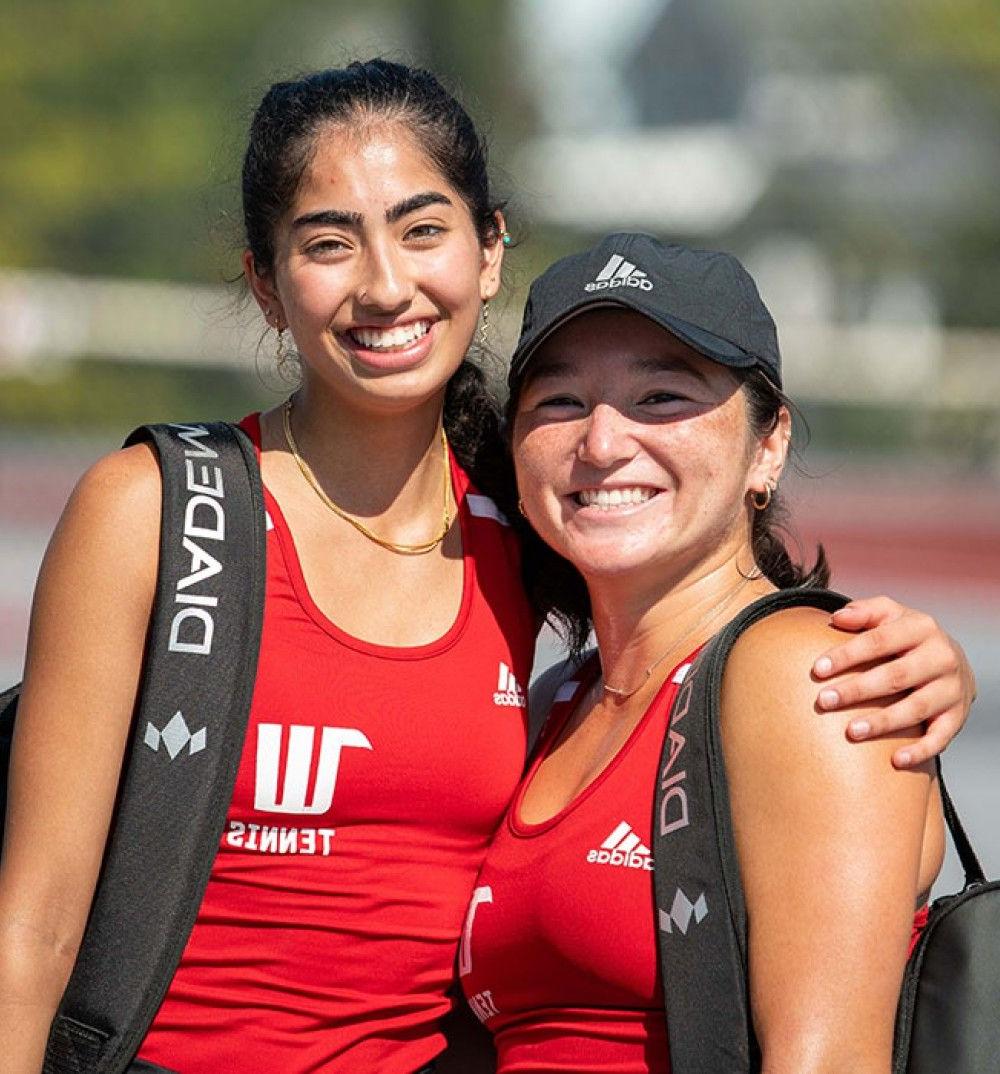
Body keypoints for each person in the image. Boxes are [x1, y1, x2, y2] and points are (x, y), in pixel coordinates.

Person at [0, 62, 974, 1074]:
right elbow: (31, 930)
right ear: (264, 283)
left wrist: (910, 663)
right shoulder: (158, 512)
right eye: (329, 243)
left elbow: (731, 653)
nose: (384, 284)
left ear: (489, 248)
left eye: (423, 229)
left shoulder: (530, 534)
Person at [459, 233, 954, 1073]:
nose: (603, 443)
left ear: (769, 446)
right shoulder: (556, 701)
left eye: (660, 397)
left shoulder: (808, 677)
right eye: (561, 402)